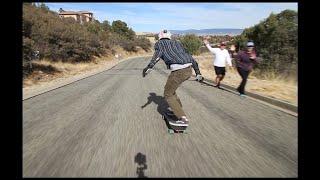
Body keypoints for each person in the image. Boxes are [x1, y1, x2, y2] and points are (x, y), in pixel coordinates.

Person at [142, 30, 203, 127]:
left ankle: (182, 118)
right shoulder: (178, 43)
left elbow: (157, 56)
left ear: (159, 37)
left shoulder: (160, 44)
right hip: (188, 70)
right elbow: (191, 58)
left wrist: (149, 67)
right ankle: (178, 110)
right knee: (171, 91)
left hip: (179, 72)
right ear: (169, 36)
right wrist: (198, 73)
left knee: (167, 94)